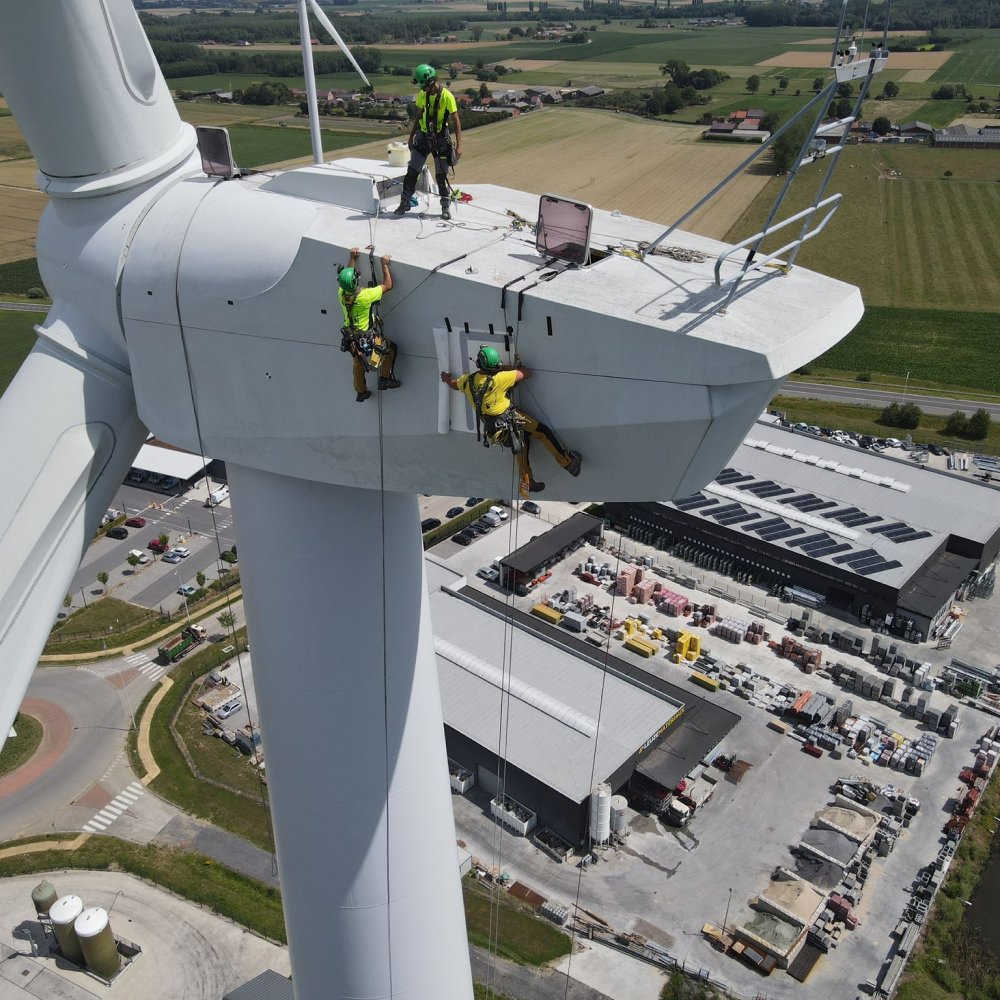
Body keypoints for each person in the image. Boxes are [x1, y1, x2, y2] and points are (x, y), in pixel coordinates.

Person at [441, 346, 581, 498]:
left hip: (494, 429)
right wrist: (506, 368)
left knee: (521, 446)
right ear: (495, 366)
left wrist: (446, 379)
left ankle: (527, 483)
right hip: (511, 419)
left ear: (478, 363)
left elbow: (454, 384)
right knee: (542, 432)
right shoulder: (500, 379)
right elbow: (526, 373)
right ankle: (568, 463)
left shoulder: (468, 381)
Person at [395, 64, 462, 221]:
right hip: (424, 137)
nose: (422, 89)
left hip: (440, 139)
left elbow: (456, 121)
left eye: (423, 86)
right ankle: (405, 202)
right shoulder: (423, 95)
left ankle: (445, 206)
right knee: (412, 171)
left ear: (431, 82)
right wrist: (411, 137)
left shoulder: (447, 97)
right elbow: (418, 116)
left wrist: (459, 144)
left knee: (441, 176)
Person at [338, 248, 400, 402]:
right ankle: (385, 379)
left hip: (351, 338)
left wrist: (352, 258)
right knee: (390, 349)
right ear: (356, 280)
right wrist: (384, 265)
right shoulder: (366, 296)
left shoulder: (341, 293)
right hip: (366, 337)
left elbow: (347, 278)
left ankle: (360, 391)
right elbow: (388, 285)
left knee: (358, 363)